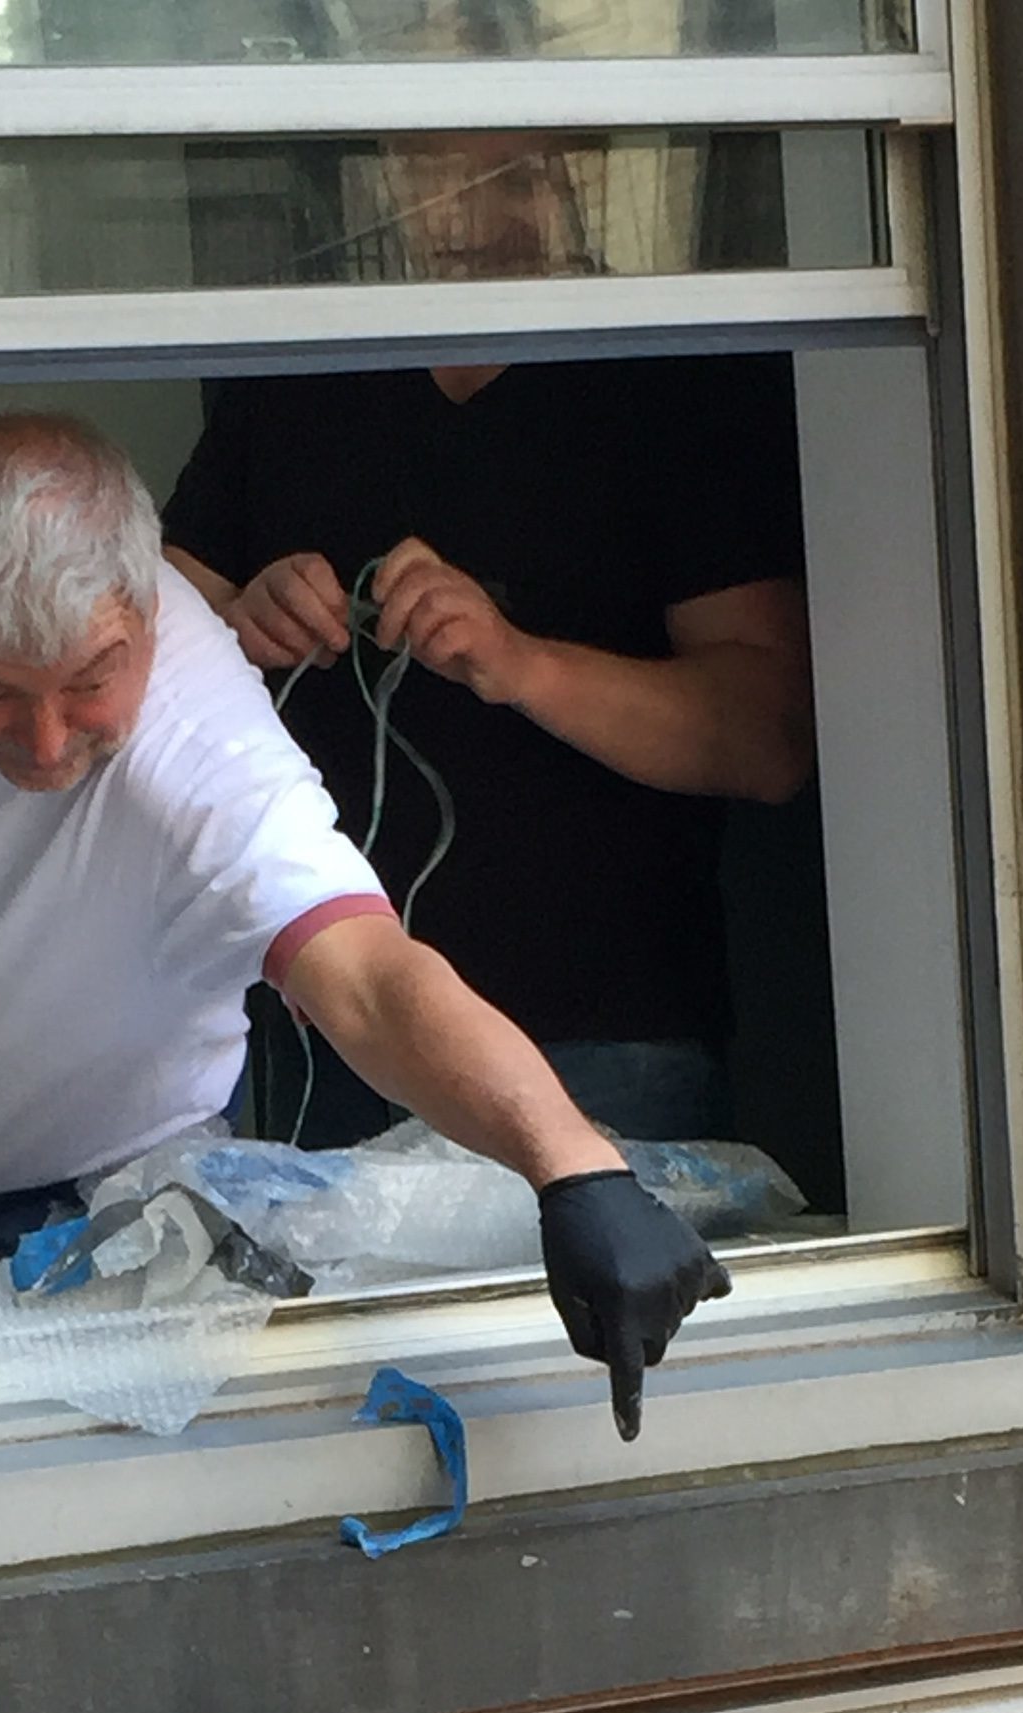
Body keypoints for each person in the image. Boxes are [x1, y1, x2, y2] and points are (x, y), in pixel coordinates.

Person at [0, 412, 726, 1439]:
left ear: (147, 608)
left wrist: (574, 1169)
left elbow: (368, 977)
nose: (48, 744)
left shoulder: (202, 734)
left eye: (93, 679)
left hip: (72, 1232)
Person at [161, 351, 813, 1150]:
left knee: (616, 1269)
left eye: (510, 209)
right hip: (338, 1031)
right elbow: (144, 622)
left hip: (603, 1035)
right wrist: (235, 617)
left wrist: (522, 665)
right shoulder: (305, 362)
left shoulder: (665, 378)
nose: (462, 220)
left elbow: (770, 735)